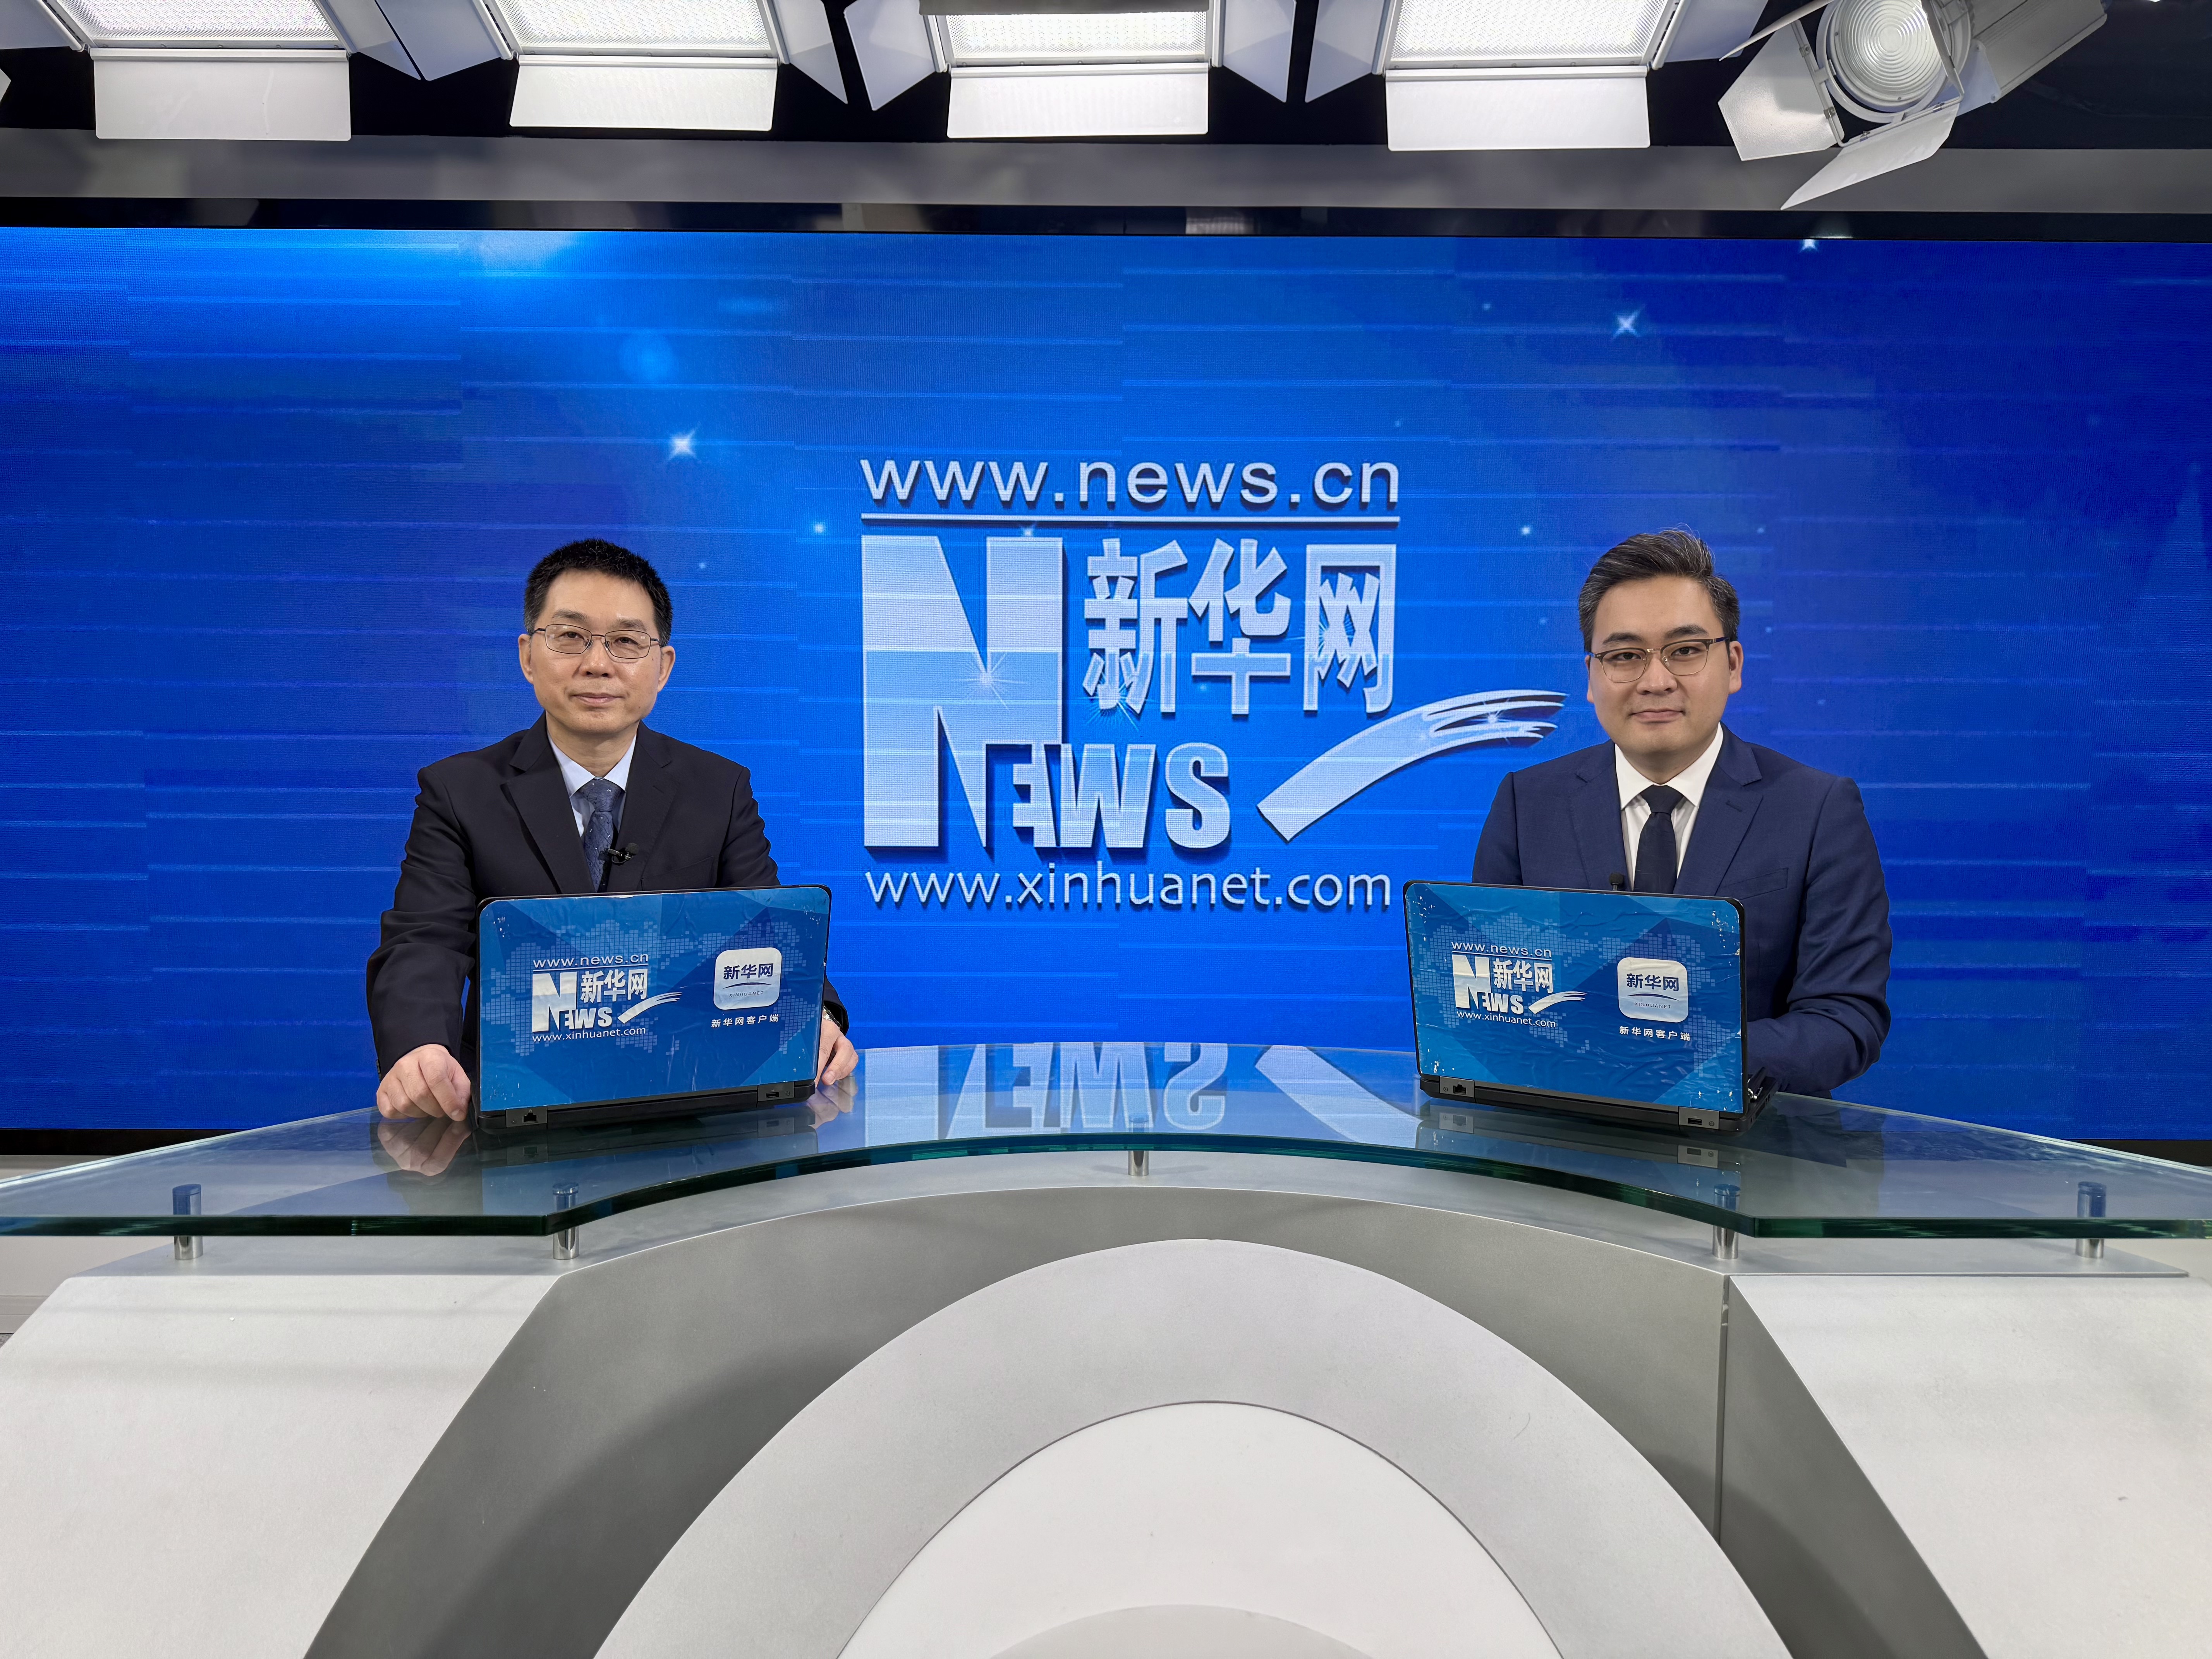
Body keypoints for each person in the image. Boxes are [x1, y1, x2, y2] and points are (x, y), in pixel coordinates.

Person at [367, 539, 856, 1121]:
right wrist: (421, 1045)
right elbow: (425, 940)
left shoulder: (719, 789)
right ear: (528, 656)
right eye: (570, 636)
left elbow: (766, 929)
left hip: (682, 1106)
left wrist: (817, 1018)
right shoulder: (460, 791)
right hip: (518, 1108)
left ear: (663, 667)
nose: (597, 663)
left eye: (626, 642)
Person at [1472, 529, 1890, 1098]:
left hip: (1753, 1141)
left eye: (1686, 651)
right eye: (1625, 656)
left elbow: (1846, 1020)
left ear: (1733, 664)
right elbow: (1496, 1002)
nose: (1656, 681)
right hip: (1563, 1133)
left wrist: (1681, 1053)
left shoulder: (1817, 809)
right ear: (1591, 677)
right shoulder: (1528, 804)